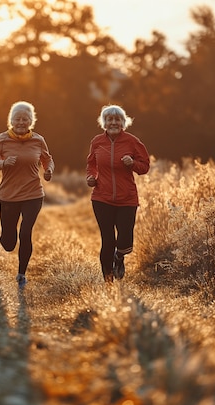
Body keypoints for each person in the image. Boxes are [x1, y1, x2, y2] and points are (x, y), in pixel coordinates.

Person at [0, 101, 54, 290]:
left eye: (25, 119)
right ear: (11, 121)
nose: (21, 122)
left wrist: (48, 171)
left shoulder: (38, 140)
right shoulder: (3, 139)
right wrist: (3, 163)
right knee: (8, 242)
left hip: (33, 194)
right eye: (17, 119)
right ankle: (2, 246)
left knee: (26, 232)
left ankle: (21, 274)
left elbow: (47, 159)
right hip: (9, 196)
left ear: (31, 121)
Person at [86, 104, 150, 282]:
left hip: (127, 199)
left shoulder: (132, 141)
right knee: (107, 240)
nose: (113, 122)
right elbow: (91, 164)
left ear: (123, 122)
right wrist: (91, 177)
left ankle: (119, 257)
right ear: (104, 122)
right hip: (101, 198)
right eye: (109, 119)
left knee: (125, 240)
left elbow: (144, 167)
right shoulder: (97, 142)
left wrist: (132, 164)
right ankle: (108, 280)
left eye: (117, 119)